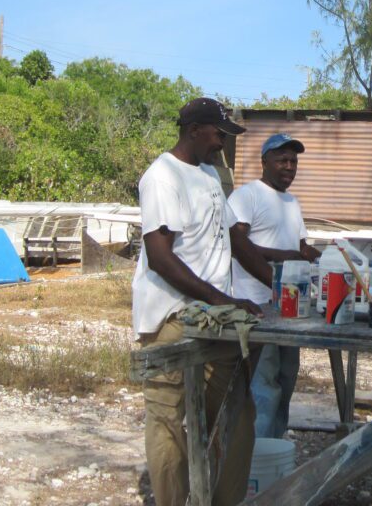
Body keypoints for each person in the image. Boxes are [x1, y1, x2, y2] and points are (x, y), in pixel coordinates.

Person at [132, 97, 266, 506]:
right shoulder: (162, 177)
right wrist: (221, 298)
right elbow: (160, 257)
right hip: (171, 317)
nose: (222, 143)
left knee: (235, 412)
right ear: (193, 131)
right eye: (218, 134)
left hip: (213, 317)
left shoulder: (208, 175)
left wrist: (276, 281)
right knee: (168, 420)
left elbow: (235, 239)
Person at [228, 132, 320, 439]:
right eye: (282, 160)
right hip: (257, 306)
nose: (289, 167)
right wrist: (283, 257)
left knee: (286, 379)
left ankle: (275, 445)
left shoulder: (292, 202)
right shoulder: (246, 196)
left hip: (290, 306)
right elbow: (238, 245)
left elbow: (301, 247)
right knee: (263, 384)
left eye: (294, 161)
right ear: (264, 161)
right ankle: (257, 455)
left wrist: (331, 257)